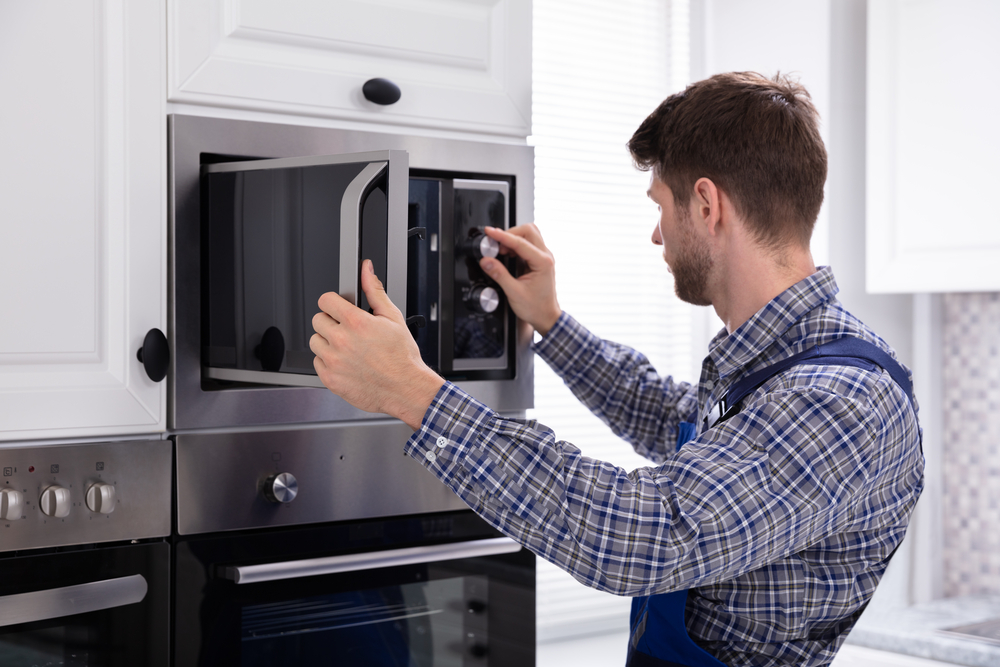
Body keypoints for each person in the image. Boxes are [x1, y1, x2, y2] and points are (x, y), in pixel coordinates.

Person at [309, 72, 924, 667]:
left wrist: (418, 395)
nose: (657, 234)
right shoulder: (775, 359)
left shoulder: (841, 400)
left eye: (661, 205)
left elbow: (645, 534)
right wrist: (550, 322)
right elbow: (669, 418)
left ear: (707, 204)